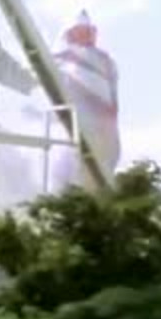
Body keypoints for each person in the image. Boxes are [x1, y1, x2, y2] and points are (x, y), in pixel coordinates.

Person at [49, 10, 121, 191]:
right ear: (70, 33)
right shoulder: (59, 61)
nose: (87, 35)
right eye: (81, 30)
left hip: (103, 130)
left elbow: (112, 96)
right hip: (70, 129)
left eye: (89, 31)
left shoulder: (106, 62)